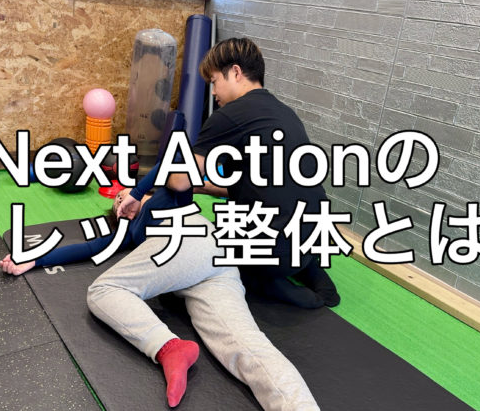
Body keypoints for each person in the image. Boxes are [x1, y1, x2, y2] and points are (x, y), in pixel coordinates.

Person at [0, 167, 320, 410]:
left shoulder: (170, 195)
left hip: (193, 240)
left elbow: (174, 159)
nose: (120, 200)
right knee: (245, 347)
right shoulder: (128, 233)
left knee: (104, 290)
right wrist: (35, 258)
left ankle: (169, 347)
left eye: (122, 195)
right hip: (212, 268)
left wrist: (138, 190)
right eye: (116, 202)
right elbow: (89, 248)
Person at [118, 38, 339, 310]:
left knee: (207, 251)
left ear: (235, 72)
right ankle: (309, 270)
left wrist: (147, 193)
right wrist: (202, 187)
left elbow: (179, 181)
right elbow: (258, 185)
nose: (213, 92)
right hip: (310, 236)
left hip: (271, 250)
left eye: (214, 81)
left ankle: (285, 289)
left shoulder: (230, 115)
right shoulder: (285, 113)